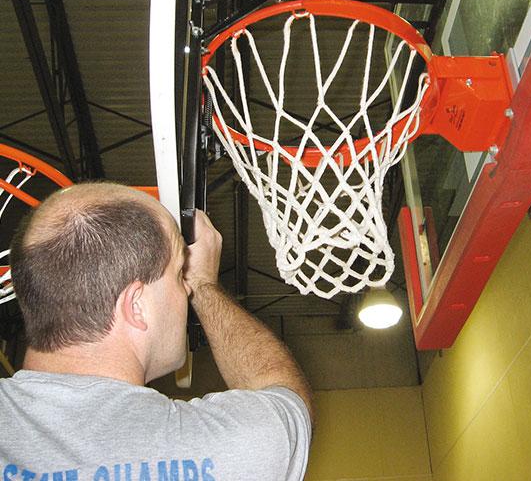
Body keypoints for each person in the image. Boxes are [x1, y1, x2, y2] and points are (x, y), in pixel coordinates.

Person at [0, 182, 313, 480]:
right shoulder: (230, 448)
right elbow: (283, 392)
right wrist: (203, 284)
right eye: (179, 275)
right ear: (136, 305)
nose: (184, 290)